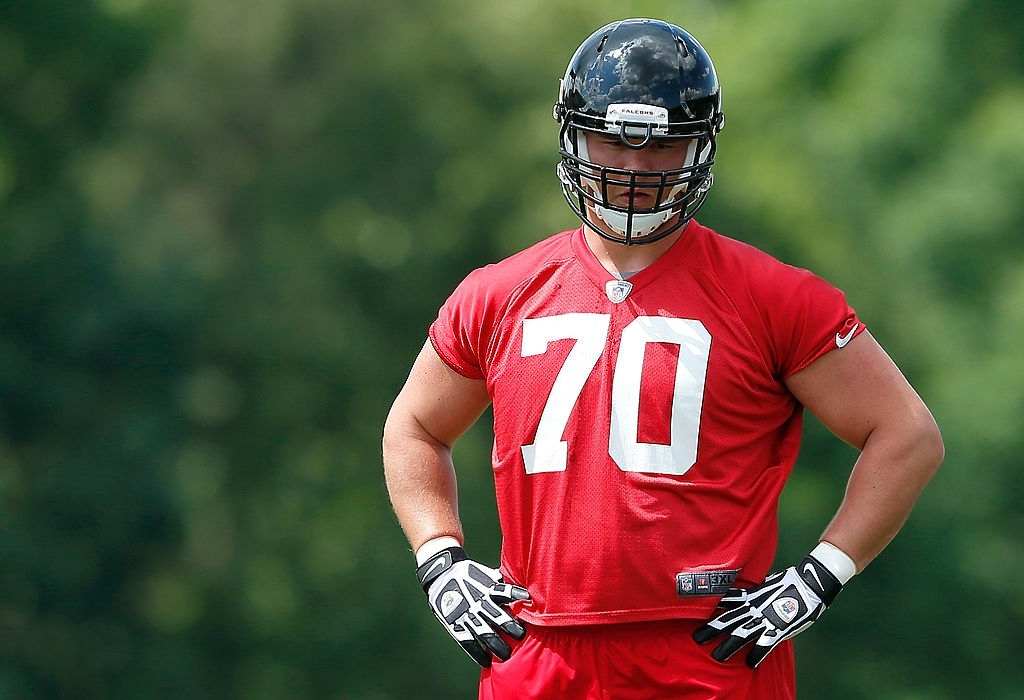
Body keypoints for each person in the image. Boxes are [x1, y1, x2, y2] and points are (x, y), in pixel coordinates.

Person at [383, 17, 943, 699]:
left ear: (700, 150)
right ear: (572, 136)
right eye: (613, 140)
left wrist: (820, 576)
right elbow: (413, 426)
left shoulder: (771, 295)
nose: (635, 167)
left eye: (662, 148)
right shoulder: (498, 294)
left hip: (709, 647)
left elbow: (907, 435)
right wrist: (439, 558)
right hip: (537, 644)